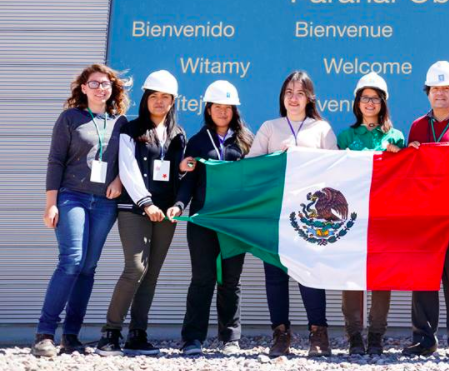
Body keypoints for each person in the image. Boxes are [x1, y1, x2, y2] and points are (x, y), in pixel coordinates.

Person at [32, 64, 129, 358]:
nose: (101, 88)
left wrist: (118, 180)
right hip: (72, 196)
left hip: (104, 202)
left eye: (106, 84)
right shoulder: (70, 118)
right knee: (71, 260)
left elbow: (129, 161)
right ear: (84, 88)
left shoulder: (121, 122)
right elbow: (55, 162)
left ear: (113, 90)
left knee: (88, 268)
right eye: (95, 83)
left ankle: (71, 336)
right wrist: (51, 204)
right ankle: (45, 334)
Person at [95, 70, 186, 356]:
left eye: (166, 98)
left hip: (166, 214)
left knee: (152, 273)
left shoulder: (178, 135)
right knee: (135, 267)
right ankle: (110, 333)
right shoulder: (130, 129)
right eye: (154, 96)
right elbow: (127, 168)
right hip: (134, 208)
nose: (159, 102)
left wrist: (175, 205)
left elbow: (179, 177)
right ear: (146, 98)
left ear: (173, 102)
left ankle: (138, 334)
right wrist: (147, 203)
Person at [247, 70, 337, 358]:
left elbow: (336, 169)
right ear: (282, 97)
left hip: (310, 219)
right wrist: (277, 158)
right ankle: (281, 335)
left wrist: (301, 154)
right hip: (274, 215)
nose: (293, 98)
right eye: (288, 92)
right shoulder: (270, 128)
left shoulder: (321, 129)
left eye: (300, 93)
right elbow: (252, 167)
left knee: (310, 274)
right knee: (274, 276)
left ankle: (318, 335)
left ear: (309, 98)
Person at [164, 80, 254, 356]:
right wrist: (179, 205)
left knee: (230, 281)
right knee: (202, 279)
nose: (223, 112)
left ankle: (230, 339)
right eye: (218, 107)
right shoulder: (198, 141)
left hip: (234, 223)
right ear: (208, 109)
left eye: (228, 107)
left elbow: (255, 179)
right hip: (202, 220)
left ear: (235, 110)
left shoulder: (245, 141)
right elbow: (189, 180)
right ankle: (192, 339)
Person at [402, 62, 449, 359]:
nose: (440, 94)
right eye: (435, 89)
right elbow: (408, 170)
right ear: (428, 93)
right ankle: (423, 338)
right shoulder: (418, 126)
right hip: (424, 216)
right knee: (422, 275)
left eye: (446, 89)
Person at [336, 72, 404, 356]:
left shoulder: (396, 136)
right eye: (365, 98)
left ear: (383, 102)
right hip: (352, 219)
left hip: (384, 219)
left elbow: (406, 176)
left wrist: (400, 152)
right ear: (357, 102)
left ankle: (376, 336)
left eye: (375, 98)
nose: (369, 103)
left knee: (381, 278)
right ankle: (354, 337)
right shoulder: (346, 136)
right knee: (352, 276)